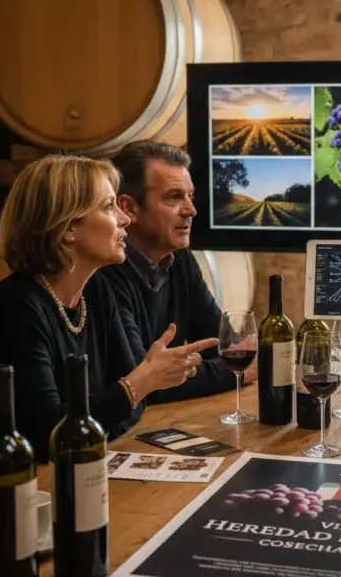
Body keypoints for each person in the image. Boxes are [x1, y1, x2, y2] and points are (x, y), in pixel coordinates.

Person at [0, 154, 218, 464]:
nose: (125, 219)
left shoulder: (95, 291)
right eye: (109, 207)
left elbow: (130, 411)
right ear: (68, 227)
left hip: (77, 468)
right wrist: (141, 383)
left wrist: (131, 390)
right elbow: (48, 434)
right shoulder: (17, 307)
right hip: (5, 489)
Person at [101, 140, 257, 404]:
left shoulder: (180, 258)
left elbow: (220, 345)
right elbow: (143, 382)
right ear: (129, 208)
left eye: (190, 196)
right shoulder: (106, 270)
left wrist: (207, 369)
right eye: (174, 197)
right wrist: (238, 371)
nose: (191, 210)